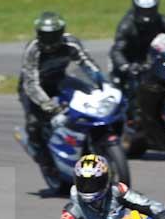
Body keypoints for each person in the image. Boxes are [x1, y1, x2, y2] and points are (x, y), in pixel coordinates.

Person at [19, 11, 104, 170]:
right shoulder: (33, 49)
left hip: (59, 80)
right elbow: (30, 82)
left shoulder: (71, 43)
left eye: (53, 35)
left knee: (89, 98)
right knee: (34, 124)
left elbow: (87, 64)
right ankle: (45, 161)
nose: (49, 40)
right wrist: (50, 106)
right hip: (34, 87)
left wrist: (103, 83)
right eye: (45, 35)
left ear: (61, 33)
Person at [110, 0, 165, 146]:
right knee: (129, 90)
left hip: (155, 59)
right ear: (136, 8)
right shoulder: (127, 24)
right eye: (143, 10)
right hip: (133, 62)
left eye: (151, 10)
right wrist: (126, 65)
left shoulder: (161, 19)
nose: (147, 14)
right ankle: (131, 123)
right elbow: (117, 49)